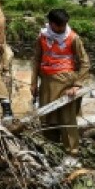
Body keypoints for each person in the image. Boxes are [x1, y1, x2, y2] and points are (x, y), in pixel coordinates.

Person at [30, 8, 91, 154]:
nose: (62, 28)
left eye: (64, 25)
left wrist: (77, 85)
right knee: (47, 118)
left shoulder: (73, 38)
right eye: (59, 26)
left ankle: (72, 152)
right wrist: (33, 82)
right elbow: (36, 59)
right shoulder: (42, 37)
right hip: (46, 82)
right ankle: (52, 152)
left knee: (67, 120)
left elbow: (85, 62)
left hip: (66, 83)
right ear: (51, 24)